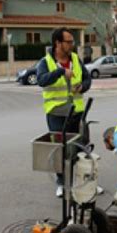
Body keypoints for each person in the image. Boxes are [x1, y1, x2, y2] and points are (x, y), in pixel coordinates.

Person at [36, 27, 100, 198]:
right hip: (57, 113)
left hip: (77, 112)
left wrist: (83, 86)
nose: (73, 44)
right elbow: (41, 80)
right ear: (58, 43)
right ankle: (62, 183)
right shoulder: (45, 62)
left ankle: (85, 181)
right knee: (60, 150)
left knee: (82, 147)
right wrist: (60, 72)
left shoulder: (76, 60)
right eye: (69, 41)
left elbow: (87, 78)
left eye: (72, 41)